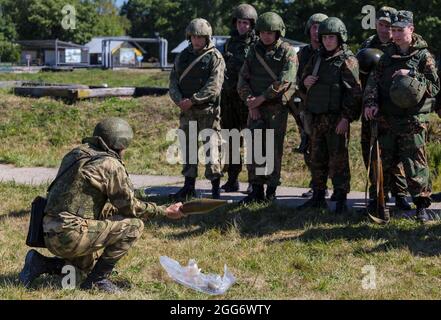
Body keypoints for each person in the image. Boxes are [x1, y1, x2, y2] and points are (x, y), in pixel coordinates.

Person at [19, 118, 184, 293]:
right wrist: (164, 211)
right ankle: (98, 280)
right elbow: (131, 207)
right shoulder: (110, 165)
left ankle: (40, 263)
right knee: (134, 226)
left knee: (81, 271)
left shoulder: (76, 153)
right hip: (69, 234)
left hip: (48, 230)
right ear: (122, 144)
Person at [364, 11, 440, 222]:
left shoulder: (424, 57)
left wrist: (412, 75)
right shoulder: (386, 56)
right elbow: (373, 83)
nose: (395, 35)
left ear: (411, 29)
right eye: (393, 30)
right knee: (382, 163)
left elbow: (435, 87)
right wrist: (371, 103)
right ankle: (378, 203)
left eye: (400, 30)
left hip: (413, 121)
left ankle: (421, 207)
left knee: (416, 164)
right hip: (387, 118)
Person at [297, 17, 362, 214]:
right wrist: (304, 82)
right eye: (325, 37)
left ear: (340, 38)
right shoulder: (316, 58)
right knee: (317, 159)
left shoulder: (347, 61)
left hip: (336, 120)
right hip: (316, 119)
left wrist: (346, 118)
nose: (327, 41)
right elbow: (301, 82)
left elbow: (355, 94)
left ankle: (341, 199)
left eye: (332, 37)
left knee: (339, 161)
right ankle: (318, 196)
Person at [237, 12, 298, 204]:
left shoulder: (288, 52)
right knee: (254, 149)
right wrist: (250, 102)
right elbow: (242, 80)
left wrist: (261, 98)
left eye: (270, 32)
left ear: (278, 32)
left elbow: (286, 80)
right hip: (255, 107)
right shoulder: (253, 51)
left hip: (275, 109)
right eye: (263, 32)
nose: (266, 36)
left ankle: (271, 191)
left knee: (272, 150)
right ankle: (256, 190)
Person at [359, 6, 411, 211]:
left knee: (396, 154)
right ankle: (378, 194)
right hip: (371, 106)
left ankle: (399, 194)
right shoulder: (367, 45)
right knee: (371, 153)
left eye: (389, 26)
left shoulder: (400, 45)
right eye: (381, 25)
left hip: (394, 107)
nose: (384, 30)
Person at [169, 18, 226, 200]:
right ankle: (188, 186)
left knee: (212, 150)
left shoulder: (215, 57)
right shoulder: (182, 56)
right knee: (188, 148)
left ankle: (215, 189)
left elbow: (214, 86)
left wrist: (193, 100)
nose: (197, 40)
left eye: (200, 37)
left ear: (207, 37)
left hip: (207, 112)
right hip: (187, 111)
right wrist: (179, 100)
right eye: (194, 36)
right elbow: (173, 81)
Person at [220, 4, 258, 193]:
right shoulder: (228, 44)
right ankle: (233, 178)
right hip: (229, 98)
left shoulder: (257, 45)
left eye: (246, 23)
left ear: (252, 25)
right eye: (239, 22)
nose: (242, 26)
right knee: (231, 139)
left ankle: (254, 181)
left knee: (252, 140)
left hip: (248, 98)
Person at [291, 13, 329, 199]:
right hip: (305, 108)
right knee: (309, 146)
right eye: (314, 27)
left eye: (321, 27)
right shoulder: (302, 54)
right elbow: (293, 78)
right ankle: (316, 184)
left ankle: (329, 186)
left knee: (329, 148)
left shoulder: (331, 51)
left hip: (326, 109)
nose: (317, 31)